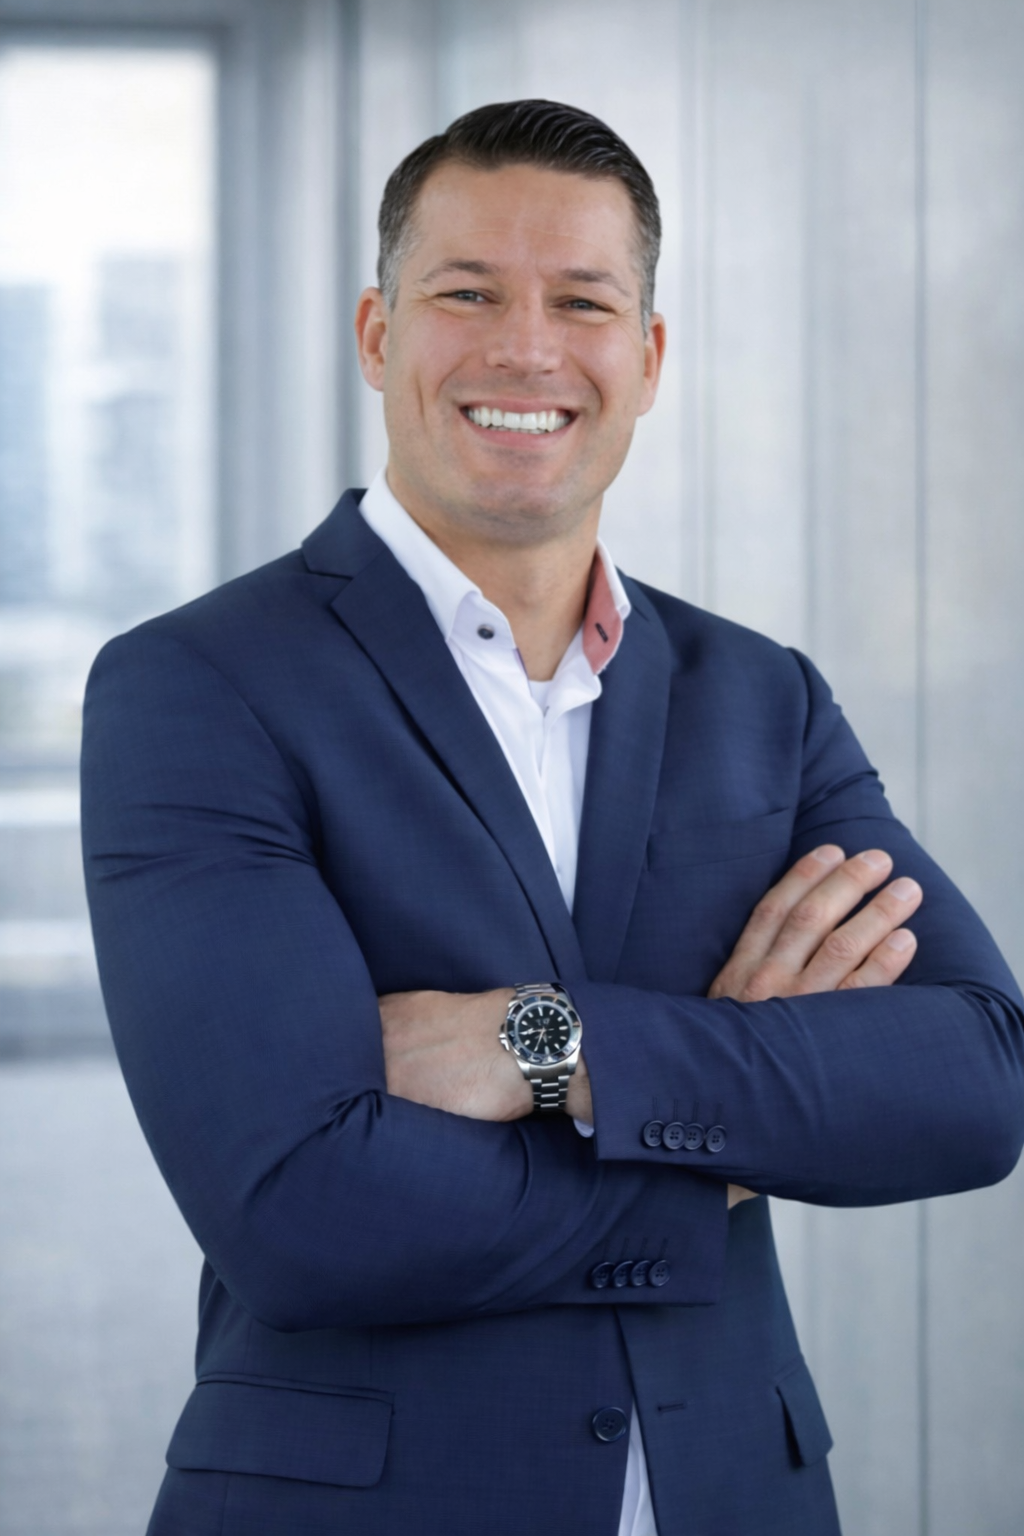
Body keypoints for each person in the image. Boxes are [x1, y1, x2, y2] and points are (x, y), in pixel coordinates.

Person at [81, 99, 1024, 1536]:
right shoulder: (200, 685)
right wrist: (721, 1139)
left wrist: (548, 1046)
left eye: (581, 302)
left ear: (646, 358)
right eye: (468, 293)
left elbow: (974, 1082)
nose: (527, 349)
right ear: (378, 334)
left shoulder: (760, 697)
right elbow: (300, 1211)